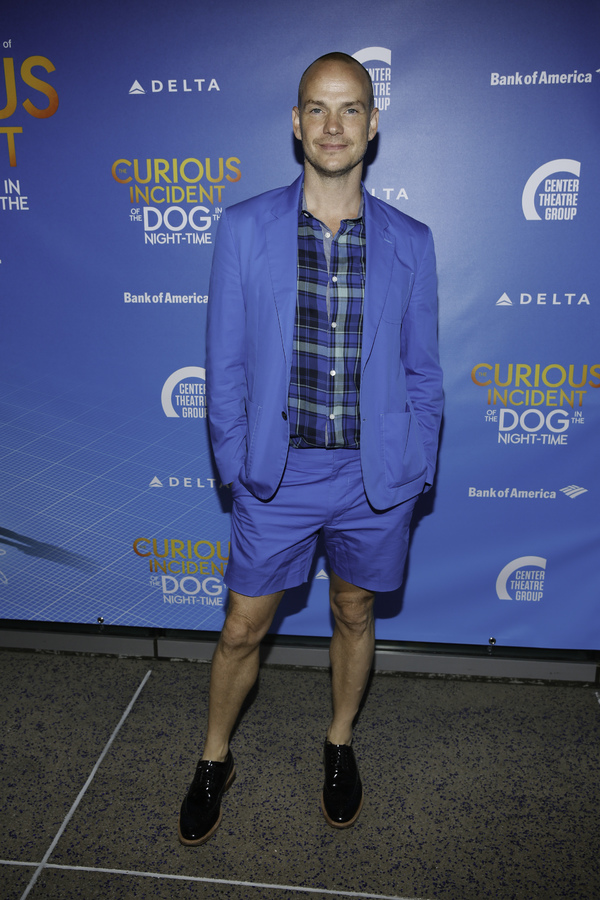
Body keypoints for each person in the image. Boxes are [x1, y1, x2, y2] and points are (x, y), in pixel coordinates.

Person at [178, 51, 443, 846]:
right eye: (318, 109)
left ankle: (338, 743)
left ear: (372, 124)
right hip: (277, 474)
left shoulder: (412, 241)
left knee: (354, 612)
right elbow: (222, 366)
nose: (334, 126)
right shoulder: (243, 228)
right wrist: (239, 465)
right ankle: (214, 757)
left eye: (351, 108)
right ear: (296, 124)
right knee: (241, 628)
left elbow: (423, 371)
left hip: (374, 478)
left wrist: (414, 461)